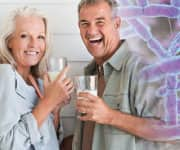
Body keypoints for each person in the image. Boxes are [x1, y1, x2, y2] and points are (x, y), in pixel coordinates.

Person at [72, 0, 180, 150]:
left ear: (116, 23)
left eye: (100, 22)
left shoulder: (142, 67)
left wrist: (110, 116)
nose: (91, 31)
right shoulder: (90, 72)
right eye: (85, 23)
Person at [0, 6, 74, 150]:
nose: (34, 44)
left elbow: (49, 143)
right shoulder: (5, 75)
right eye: (24, 36)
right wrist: (47, 102)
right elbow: (6, 144)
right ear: (9, 41)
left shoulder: (40, 83)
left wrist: (55, 109)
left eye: (40, 36)